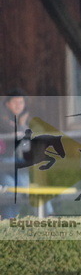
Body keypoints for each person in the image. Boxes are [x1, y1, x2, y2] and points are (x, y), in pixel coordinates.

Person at [0, 89, 30, 218]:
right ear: (7, 104)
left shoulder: (21, 121)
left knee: (22, 189)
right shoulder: (3, 116)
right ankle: (8, 222)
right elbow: (9, 129)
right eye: (15, 102)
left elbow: (27, 144)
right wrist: (19, 128)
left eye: (21, 102)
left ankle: (13, 221)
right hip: (4, 161)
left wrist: (22, 125)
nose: (19, 105)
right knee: (10, 190)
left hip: (17, 162)